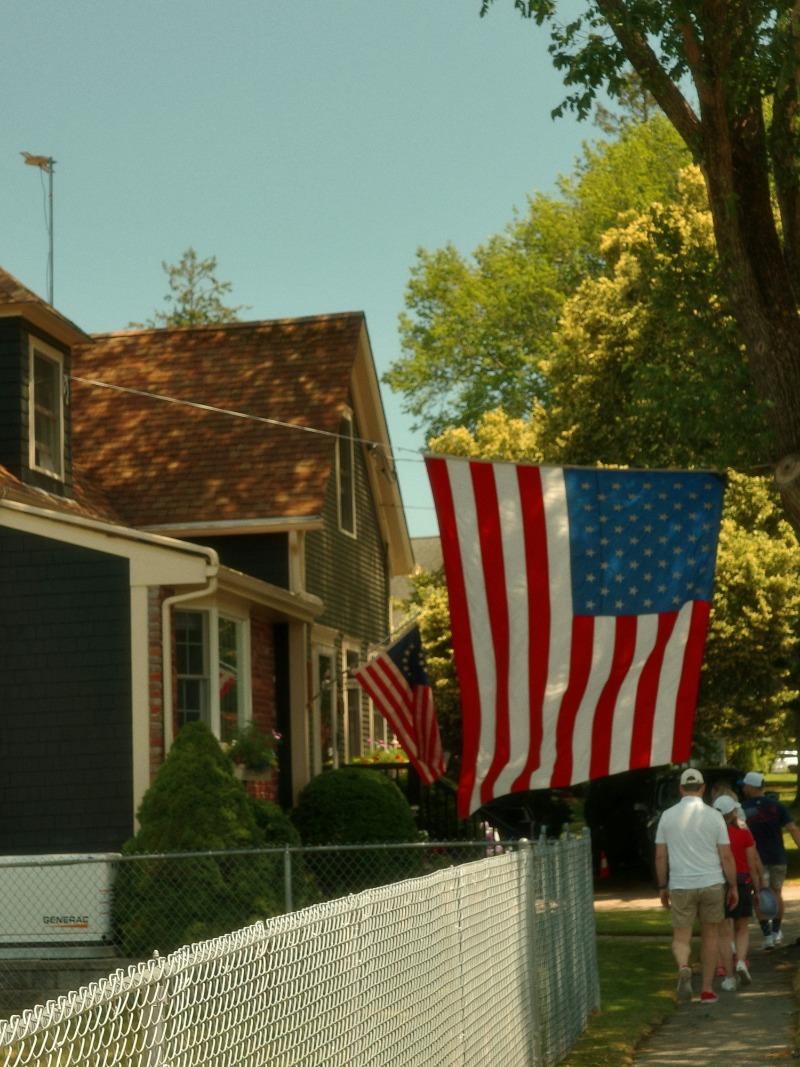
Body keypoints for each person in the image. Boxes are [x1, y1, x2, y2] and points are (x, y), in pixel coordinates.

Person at [655, 767, 738, 1004]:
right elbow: (726, 856)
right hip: (712, 882)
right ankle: (707, 990)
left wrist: (662, 885)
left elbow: (660, 856)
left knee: (681, 936)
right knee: (710, 936)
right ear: (702, 788)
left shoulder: (667, 816)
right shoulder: (714, 816)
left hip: (681, 884)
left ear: (681, 788)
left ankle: (684, 965)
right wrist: (733, 885)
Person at [741, 769, 800, 948]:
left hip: (755, 858)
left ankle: (767, 936)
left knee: (759, 894)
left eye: (745, 785)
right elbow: (792, 829)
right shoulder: (777, 806)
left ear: (751, 787)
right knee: (776, 893)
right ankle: (776, 932)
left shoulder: (742, 809)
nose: (743, 788)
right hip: (777, 856)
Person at [713, 794, 762, 985]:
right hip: (742, 881)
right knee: (742, 927)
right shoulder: (743, 832)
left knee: (723, 931)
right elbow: (751, 863)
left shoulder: (712, 834)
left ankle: (726, 971)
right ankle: (741, 961)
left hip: (719, 882)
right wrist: (757, 888)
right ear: (733, 812)